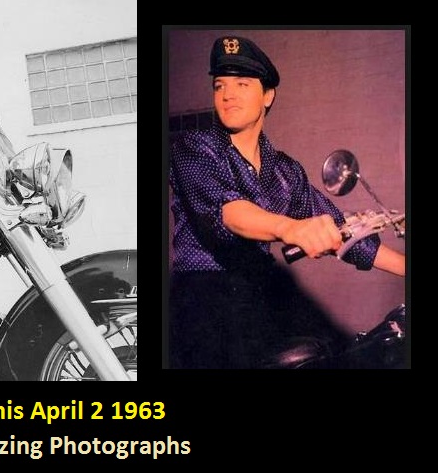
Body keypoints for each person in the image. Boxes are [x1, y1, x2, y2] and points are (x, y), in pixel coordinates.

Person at [168, 35, 405, 369]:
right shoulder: (194, 148)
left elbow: (347, 234)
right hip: (202, 300)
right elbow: (229, 213)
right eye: (219, 86)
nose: (227, 95)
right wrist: (291, 228)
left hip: (258, 301)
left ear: (268, 95)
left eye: (242, 84)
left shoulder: (284, 171)